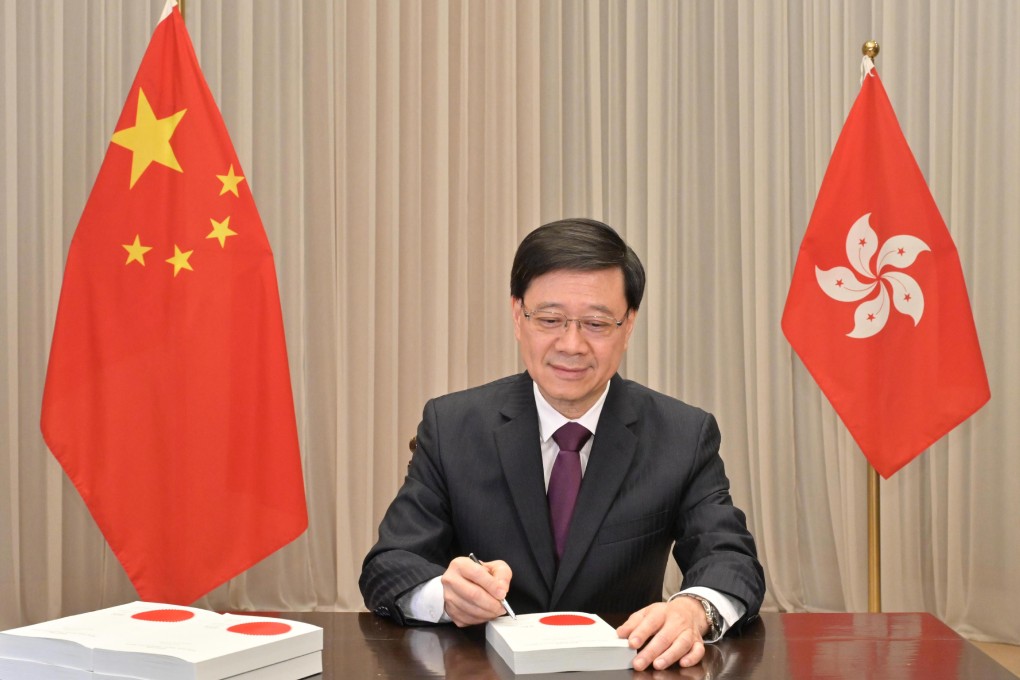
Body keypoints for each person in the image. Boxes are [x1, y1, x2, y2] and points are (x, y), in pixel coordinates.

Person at [360, 218, 765, 671]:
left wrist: (693, 611)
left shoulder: (681, 434)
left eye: (596, 323)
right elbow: (390, 564)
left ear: (628, 325)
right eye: (550, 319)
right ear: (518, 316)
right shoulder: (453, 425)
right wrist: (444, 596)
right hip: (483, 667)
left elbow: (730, 559)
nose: (571, 345)